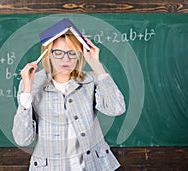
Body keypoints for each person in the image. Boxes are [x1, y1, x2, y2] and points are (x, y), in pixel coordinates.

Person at [12, 33, 126, 171]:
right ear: (47, 54)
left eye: (72, 53)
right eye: (58, 52)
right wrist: (27, 92)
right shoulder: (31, 84)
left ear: (79, 55)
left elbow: (117, 108)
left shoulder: (90, 80)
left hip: (92, 165)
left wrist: (97, 66)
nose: (65, 59)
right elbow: (22, 140)